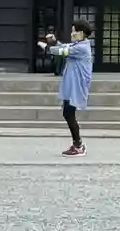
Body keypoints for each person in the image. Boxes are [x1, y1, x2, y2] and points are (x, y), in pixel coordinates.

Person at [48, 20, 94, 157]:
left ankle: (78, 145)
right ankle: (77, 144)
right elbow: (64, 46)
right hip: (71, 84)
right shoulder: (78, 45)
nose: (72, 33)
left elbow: (63, 51)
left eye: (74, 31)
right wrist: (55, 42)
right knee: (68, 113)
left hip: (76, 85)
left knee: (68, 113)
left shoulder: (82, 48)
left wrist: (47, 47)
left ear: (81, 33)